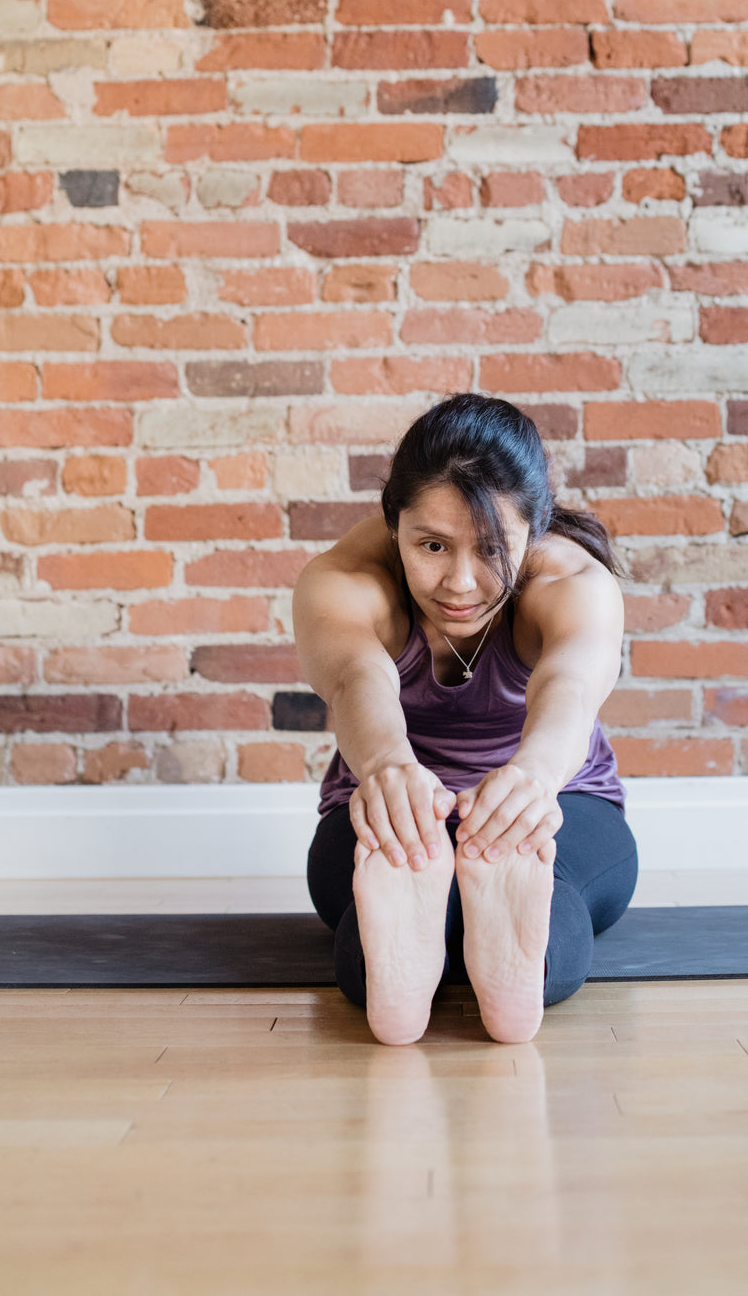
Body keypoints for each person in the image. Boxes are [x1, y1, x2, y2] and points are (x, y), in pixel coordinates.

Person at [293, 393, 637, 1045]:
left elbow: (570, 685)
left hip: (556, 796)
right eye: (432, 545)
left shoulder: (573, 584)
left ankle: (491, 900)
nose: (459, 582)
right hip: (389, 798)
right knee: (367, 958)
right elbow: (356, 677)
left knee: (549, 915)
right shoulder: (344, 580)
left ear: (533, 530)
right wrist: (391, 769)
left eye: (489, 549)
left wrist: (531, 780)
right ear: (392, 522)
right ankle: (434, 902)